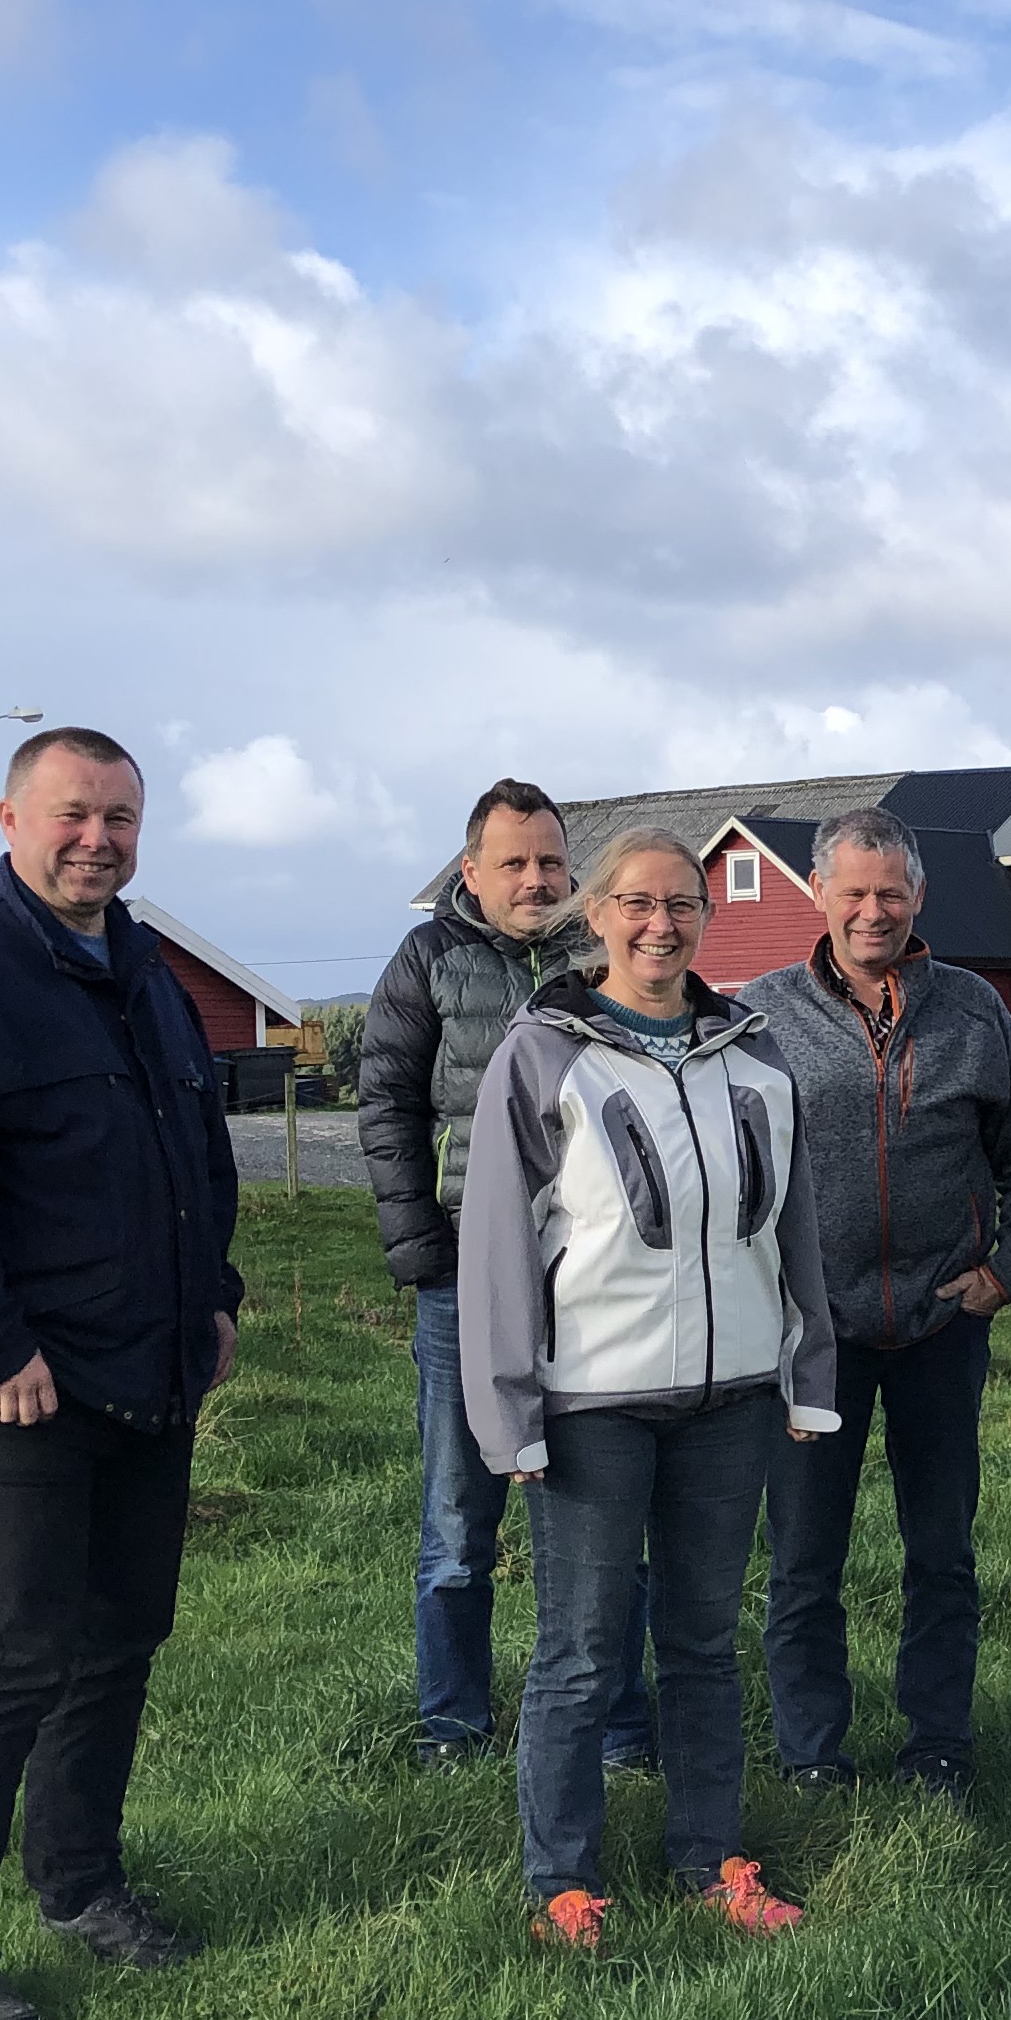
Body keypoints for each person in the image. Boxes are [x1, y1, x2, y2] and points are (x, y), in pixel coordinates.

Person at [0, 728, 242, 2020]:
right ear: (14, 817)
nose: (100, 839)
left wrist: (219, 1298)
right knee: (18, 1652)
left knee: (121, 1637)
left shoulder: (147, 976)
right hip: (23, 1382)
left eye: (123, 818)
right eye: (76, 814)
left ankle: (80, 1886)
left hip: (152, 1370)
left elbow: (199, 1153)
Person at [456, 826, 838, 1950]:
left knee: (706, 1641)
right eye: (635, 904)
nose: (659, 924)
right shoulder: (541, 1055)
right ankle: (559, 1882)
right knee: (579, 1647)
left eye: (680, 904)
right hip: (594, 1404)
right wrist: (507, 1410)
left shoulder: (757, 1059)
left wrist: (805, 1378)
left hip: (732, 1401)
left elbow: (796, 1228)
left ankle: (709, 1856)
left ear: (706, 919)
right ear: (595, 915)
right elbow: (495, 1250)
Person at [743, 808, 1011, 1797]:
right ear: (819, 894)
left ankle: (937, 1746)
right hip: (811, 1338)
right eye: (853, 891)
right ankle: (811, 1754)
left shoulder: (973, 1013)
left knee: (941, 1553)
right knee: (802, 1563)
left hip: (937, 1326)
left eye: (890, 892)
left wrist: (1009, 1269)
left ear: (918, 897)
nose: (871, 910)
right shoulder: (761, 1015)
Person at [360, 780, 656, 1775]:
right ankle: (454, 1727)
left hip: (594, 1287)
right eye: (514, 863)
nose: (536, 880)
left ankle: (619, 1730)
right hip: (462, 1285)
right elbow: (387, 1109)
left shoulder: (601, 956)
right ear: (471, 871)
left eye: (550, 862)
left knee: (608, 1517)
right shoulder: (427, 961)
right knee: (457, 1520)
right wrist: (423, 1255)